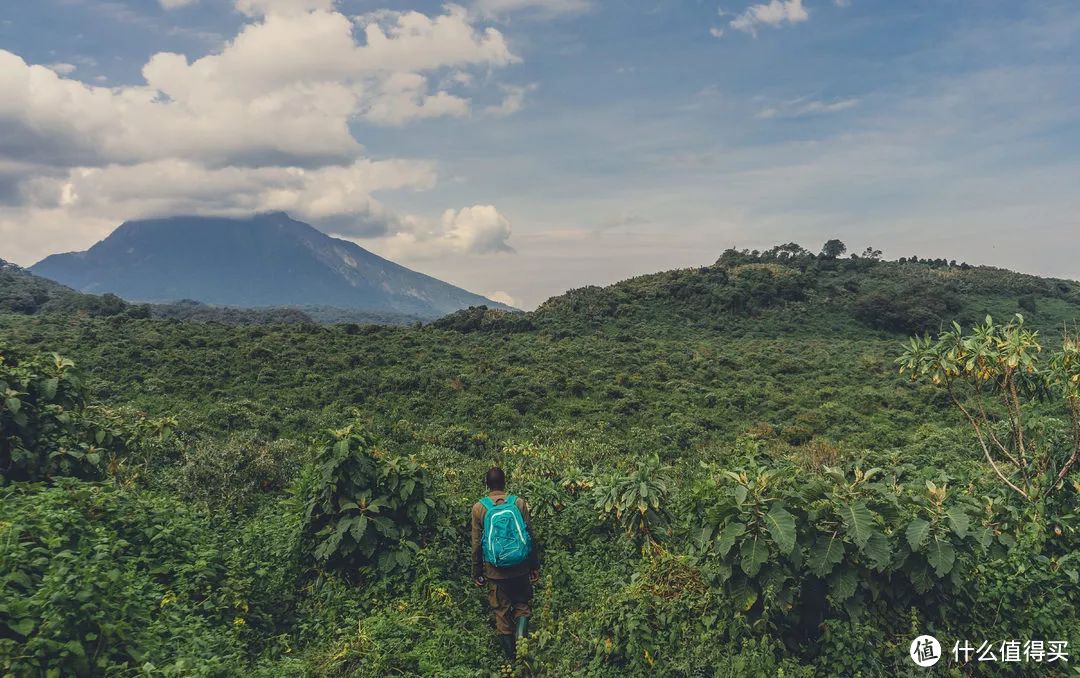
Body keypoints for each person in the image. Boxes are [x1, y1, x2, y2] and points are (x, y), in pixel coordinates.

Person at [471, 467, 540, 660]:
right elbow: (530, 537)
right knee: (522, 607)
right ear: (505, 482)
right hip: (520, 568)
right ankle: (523, 653)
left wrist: (477, 571)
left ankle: (511, 660)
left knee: (501, 612)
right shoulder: (518, 503)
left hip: (495, 572)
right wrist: (534, 566)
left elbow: (476, 544)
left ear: (487, 484)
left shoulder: (479, 508)